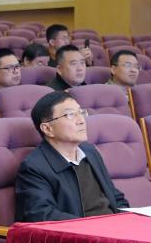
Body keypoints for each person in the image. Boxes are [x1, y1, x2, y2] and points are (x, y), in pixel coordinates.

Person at [14, 91, 129, 221]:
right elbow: (42, 215)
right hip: (81, 231)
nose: (81, 120)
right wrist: (92, 227)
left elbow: (115, 197)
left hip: (115, 227)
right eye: (70, 115)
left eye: (81, 112)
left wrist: (126, 220)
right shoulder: (34, 167)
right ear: (47, 129)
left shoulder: (90, 151)